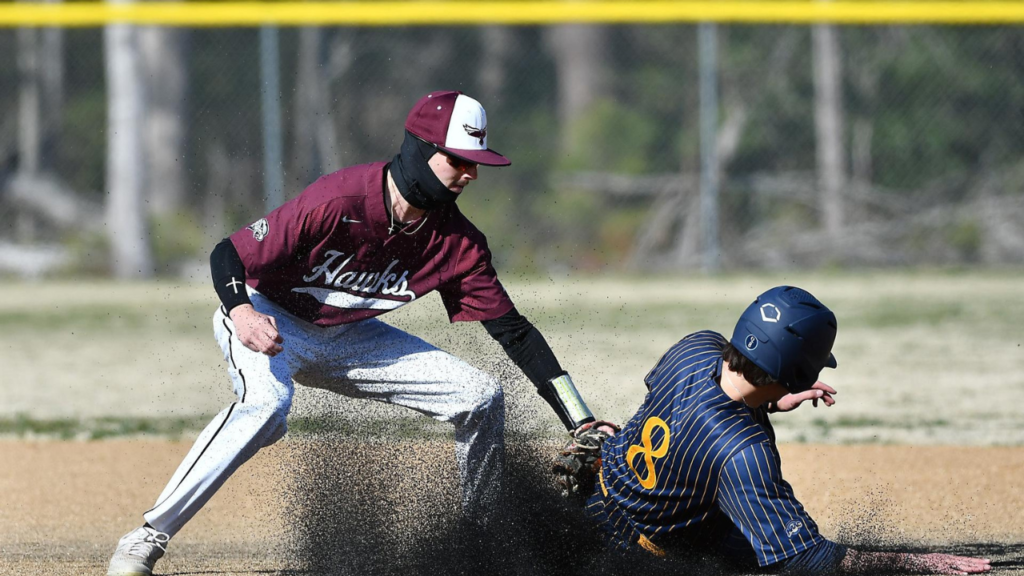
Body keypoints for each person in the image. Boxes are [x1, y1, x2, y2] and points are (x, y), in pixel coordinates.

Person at [108, 90, 610, 576]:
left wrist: (580, 419)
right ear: (422, 149)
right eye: (459, 160)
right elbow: (228, 254)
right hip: (268, 316)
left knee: (480, 395)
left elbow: (515, 333)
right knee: (267, 406)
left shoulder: (458, 244)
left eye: (474, 162)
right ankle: (147, 537)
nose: (471, 173)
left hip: (351, 338)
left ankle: (479, 542)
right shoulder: (339, 197)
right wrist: (240, 311)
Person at [583, 286, 991, 575]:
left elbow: (685, 405)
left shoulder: (695, 346)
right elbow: (808, 559)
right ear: (797, 373)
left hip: (598, 495)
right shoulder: (743, 451)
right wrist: (916, 564)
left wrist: (773, 400)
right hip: (635, 556)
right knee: (788, 551)